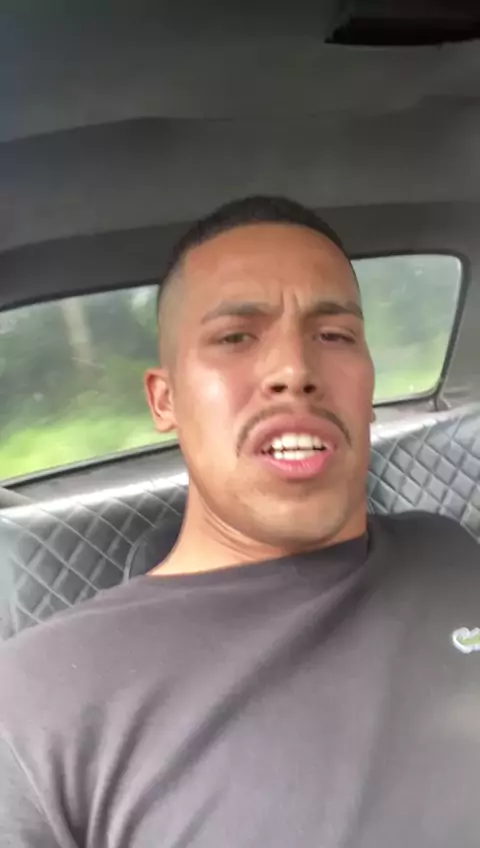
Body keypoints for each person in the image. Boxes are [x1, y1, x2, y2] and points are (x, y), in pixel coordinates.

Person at [0, 196, 479, 847]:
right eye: (235, 337)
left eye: (334, 336)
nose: (295, 372)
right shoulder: (31, 704)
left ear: (369, 384)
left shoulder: (451, 548)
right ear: (164, 400)